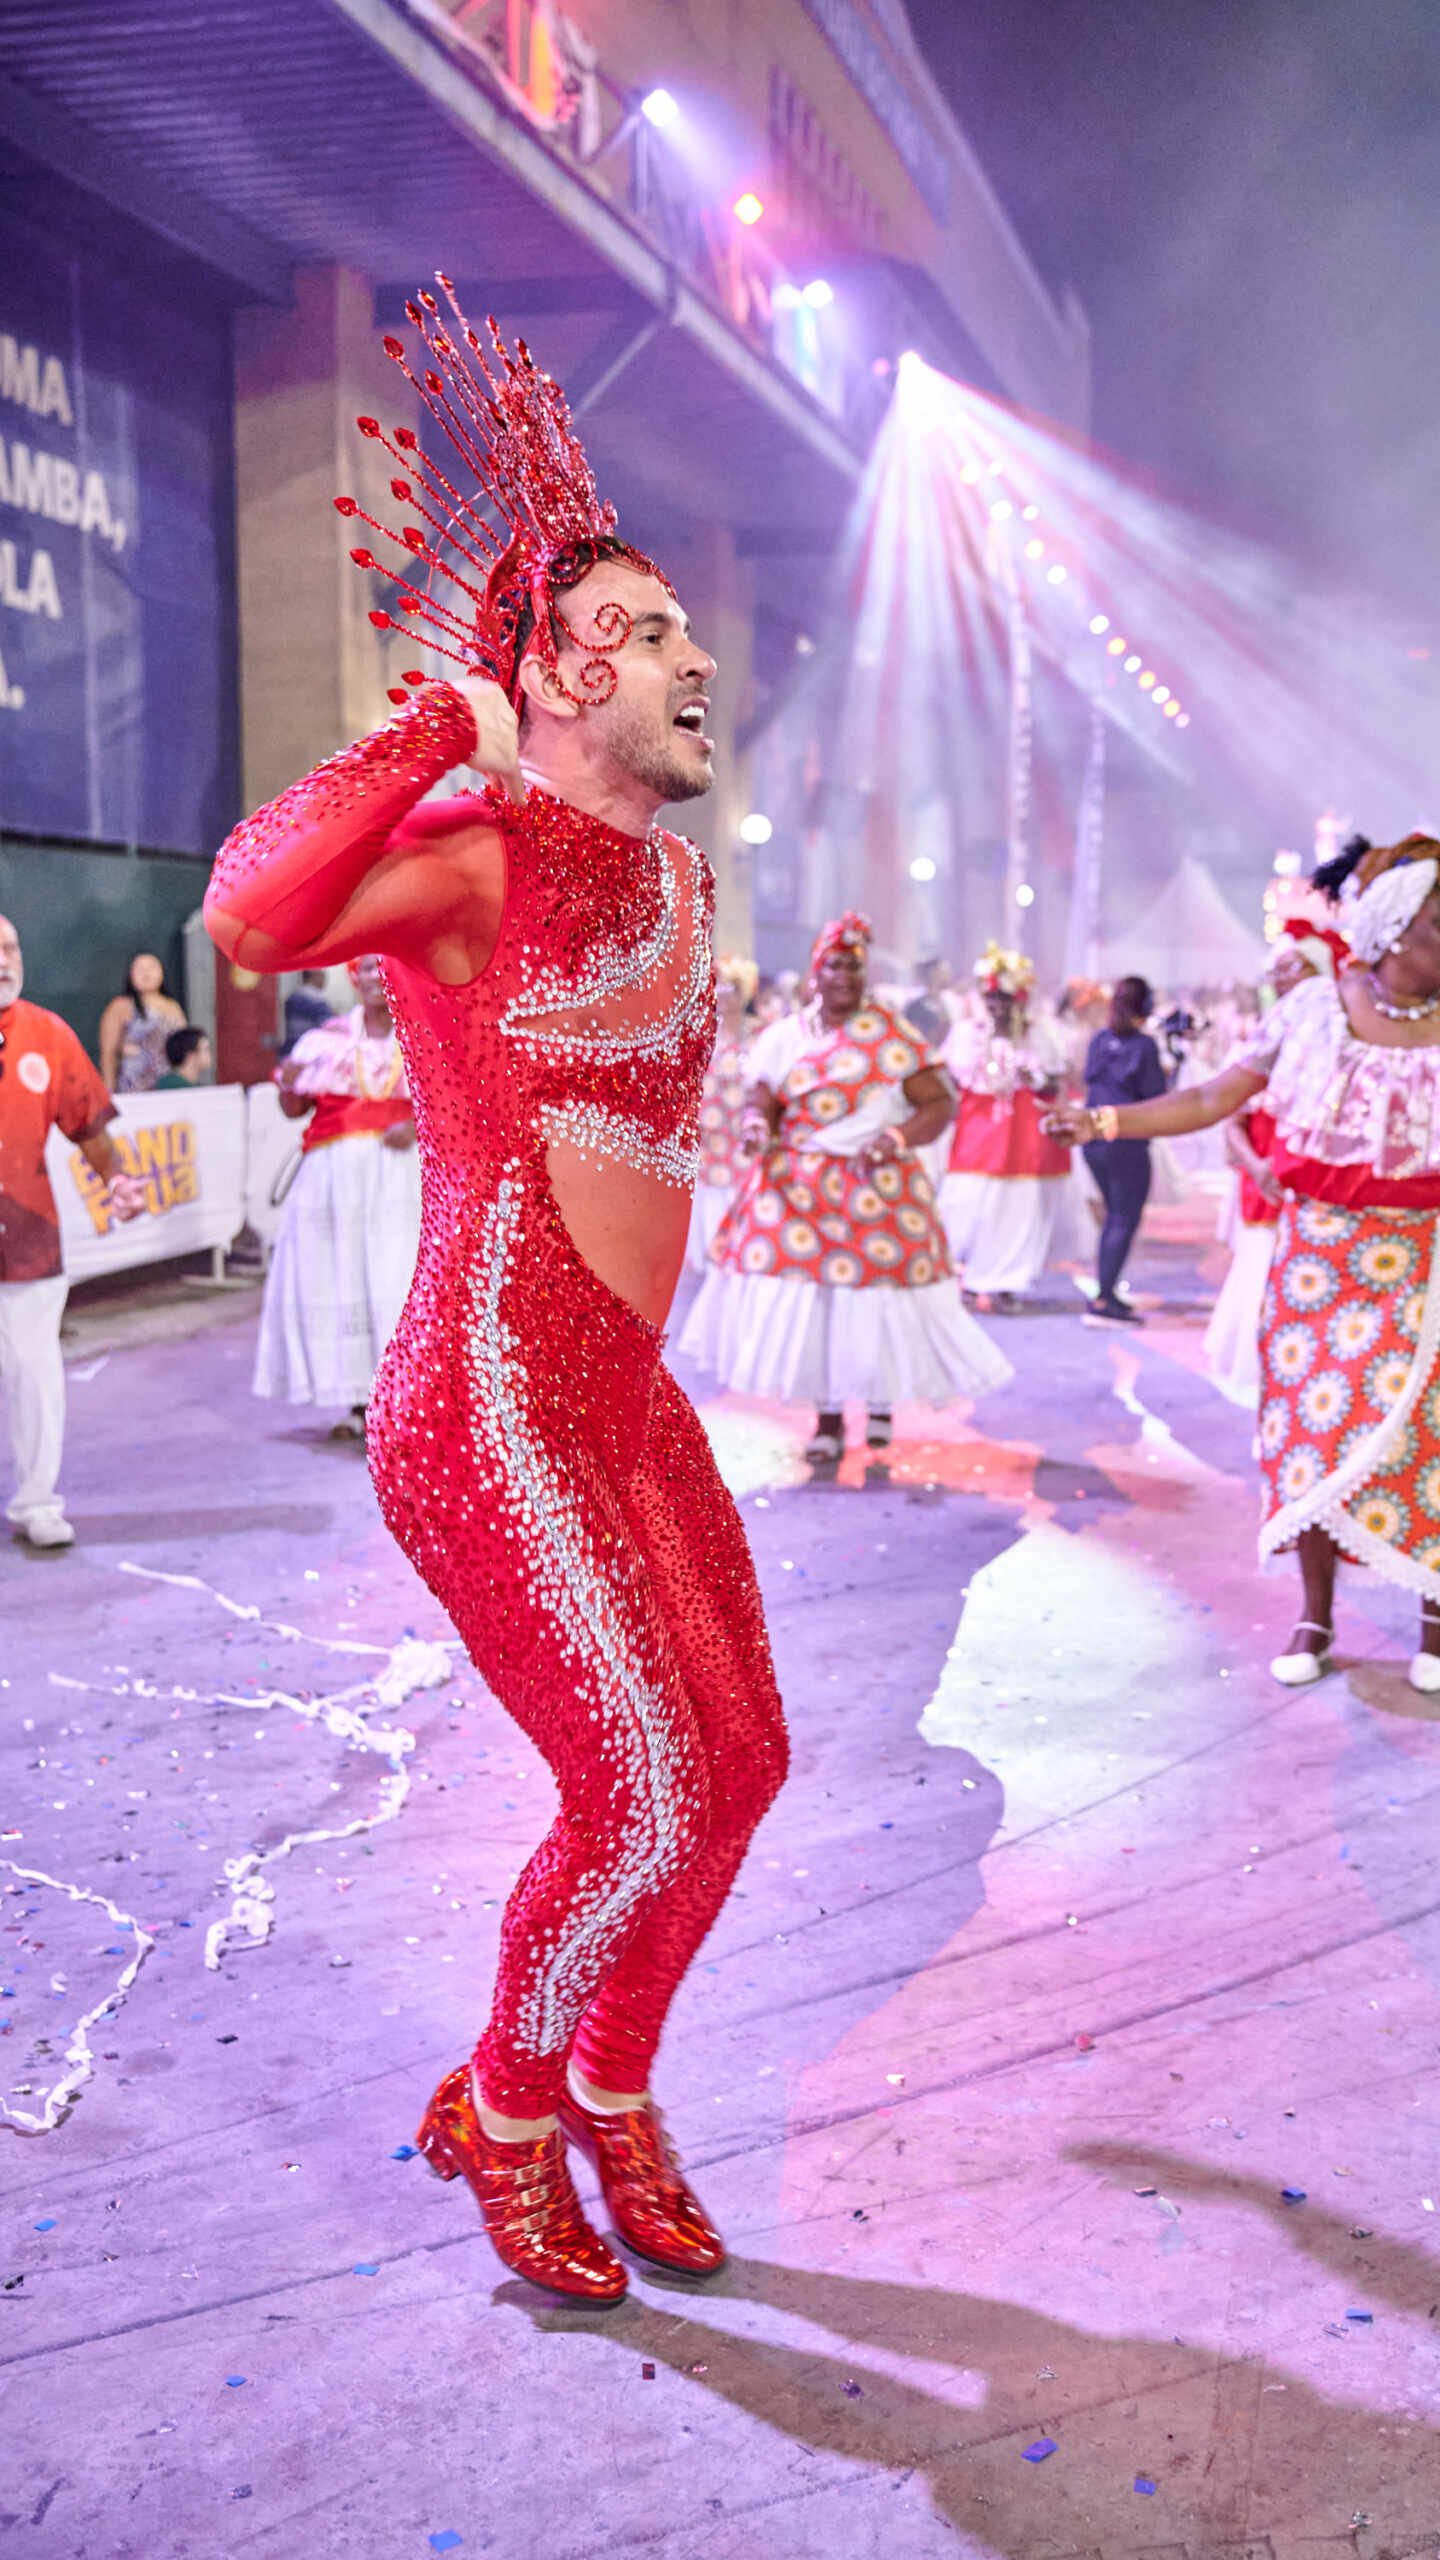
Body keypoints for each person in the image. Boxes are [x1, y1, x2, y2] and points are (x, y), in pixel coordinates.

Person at [204, 280, 786, 2304]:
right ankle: (511, 2109)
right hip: (487, 1400)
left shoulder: (692, 879)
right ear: (548, 664)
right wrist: (418, 736)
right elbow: (249, 912)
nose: (698, 656)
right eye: (646, 633)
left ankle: (613, 2090)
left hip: (622, 1397)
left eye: (689, 631)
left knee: (744, 1764)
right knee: (634, 1783)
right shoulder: (476, 850)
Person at [1049, 834, 1440, 1693]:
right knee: (1313, 1439)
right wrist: (1105, 1122)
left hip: (1432, 1266)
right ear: (1391, 934)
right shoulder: (1309, 1013)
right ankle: (1313, 1613)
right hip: (1318, 1265)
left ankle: (1435, 1623)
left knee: (1437, 1437)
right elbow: (1215, 1096)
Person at [681, 911, 1010, 1463]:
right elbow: (764, 1098)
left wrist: (899, 1138)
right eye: (835, 966)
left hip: (876, 1186)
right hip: (801, 1193)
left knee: (879, 1300)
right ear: (815, 973)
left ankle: (879, 1402)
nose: (845, 978)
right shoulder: (785, 1036)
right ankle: (828, 1420)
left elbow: (940, 1102)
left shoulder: (892, 1035)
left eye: (855, 968)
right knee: (818, 1307)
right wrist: (759, 1126)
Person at [0, 912, 147, 1547]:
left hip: (29, 1235)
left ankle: (38, 1503)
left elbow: (87, 1126)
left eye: (10, 946)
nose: (4, 959)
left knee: (35, 1370)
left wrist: (116, 1181)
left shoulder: (47, 1033)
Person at [253, 954, 421, 1439]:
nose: (375, 977)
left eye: (386, 967)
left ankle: (402, 1403)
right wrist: (286, 1081)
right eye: (366, 968)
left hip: (398, 1180)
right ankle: (355, 1403)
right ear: (354, 977)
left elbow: (453, 1104)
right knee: (339, 1279)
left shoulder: (426, 1039)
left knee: (395, 1280)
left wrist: (413, 1125)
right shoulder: (321, 1039)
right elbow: (292, 1107)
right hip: (331, 1181)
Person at [1203, 923, 1347, 1402]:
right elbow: (1230, 1117)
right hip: (1268, 1187)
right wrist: (1257, 1167)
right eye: (1279, 970)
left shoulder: (1344, 1044)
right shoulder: (1264, 1042)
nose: (1283, 979)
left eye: (1295, 969)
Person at [937, 945, 1071, 1311]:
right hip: (977, 1136)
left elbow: (1056, 1085)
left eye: (1006, 998)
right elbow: (947, 1081)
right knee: (968, 1205)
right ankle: (963, 1276)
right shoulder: (967, 1034)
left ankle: (1003, 1284)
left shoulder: (1041, 1034)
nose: (997, 1006)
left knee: (1017, 1211)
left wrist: (1035, 1077)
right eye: (991, 997)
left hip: (1024, 1141)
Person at [1078, 973, 1166, 1328]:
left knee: (1113, 1216)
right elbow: (1155, 1094)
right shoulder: (1144, 1047)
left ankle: (1107, 1290)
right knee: (1122, 1218)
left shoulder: (1100, 1039)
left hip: (1094, 1140)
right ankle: (1104, 1297)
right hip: (1126, 1139)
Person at [684, 956, 754, 1278]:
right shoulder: (699, 1034)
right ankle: (704, 1261)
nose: (725, 994)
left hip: (740, 1137)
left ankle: (731, 1257)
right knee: (706, 1197)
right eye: (720, 986)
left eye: (733, 988)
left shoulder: (758, 1036)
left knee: (736, 1194)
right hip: (706, 1138)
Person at [98, 953, 186, 1093]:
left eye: (151, 967)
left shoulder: (173, 1006)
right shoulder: (121, 1006)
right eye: (140, 968)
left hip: (168, 1085)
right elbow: (109, 1053)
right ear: (130, 975)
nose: (146, 973)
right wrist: (109, 1092)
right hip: (133, 1086)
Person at [281, 966, 336, 1055]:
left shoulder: (291, 998)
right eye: (323, 976)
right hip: (309, 1051)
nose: (324, 980)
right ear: (314, 976)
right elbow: (329, 1025)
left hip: (290, 1050)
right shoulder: (317, 999)